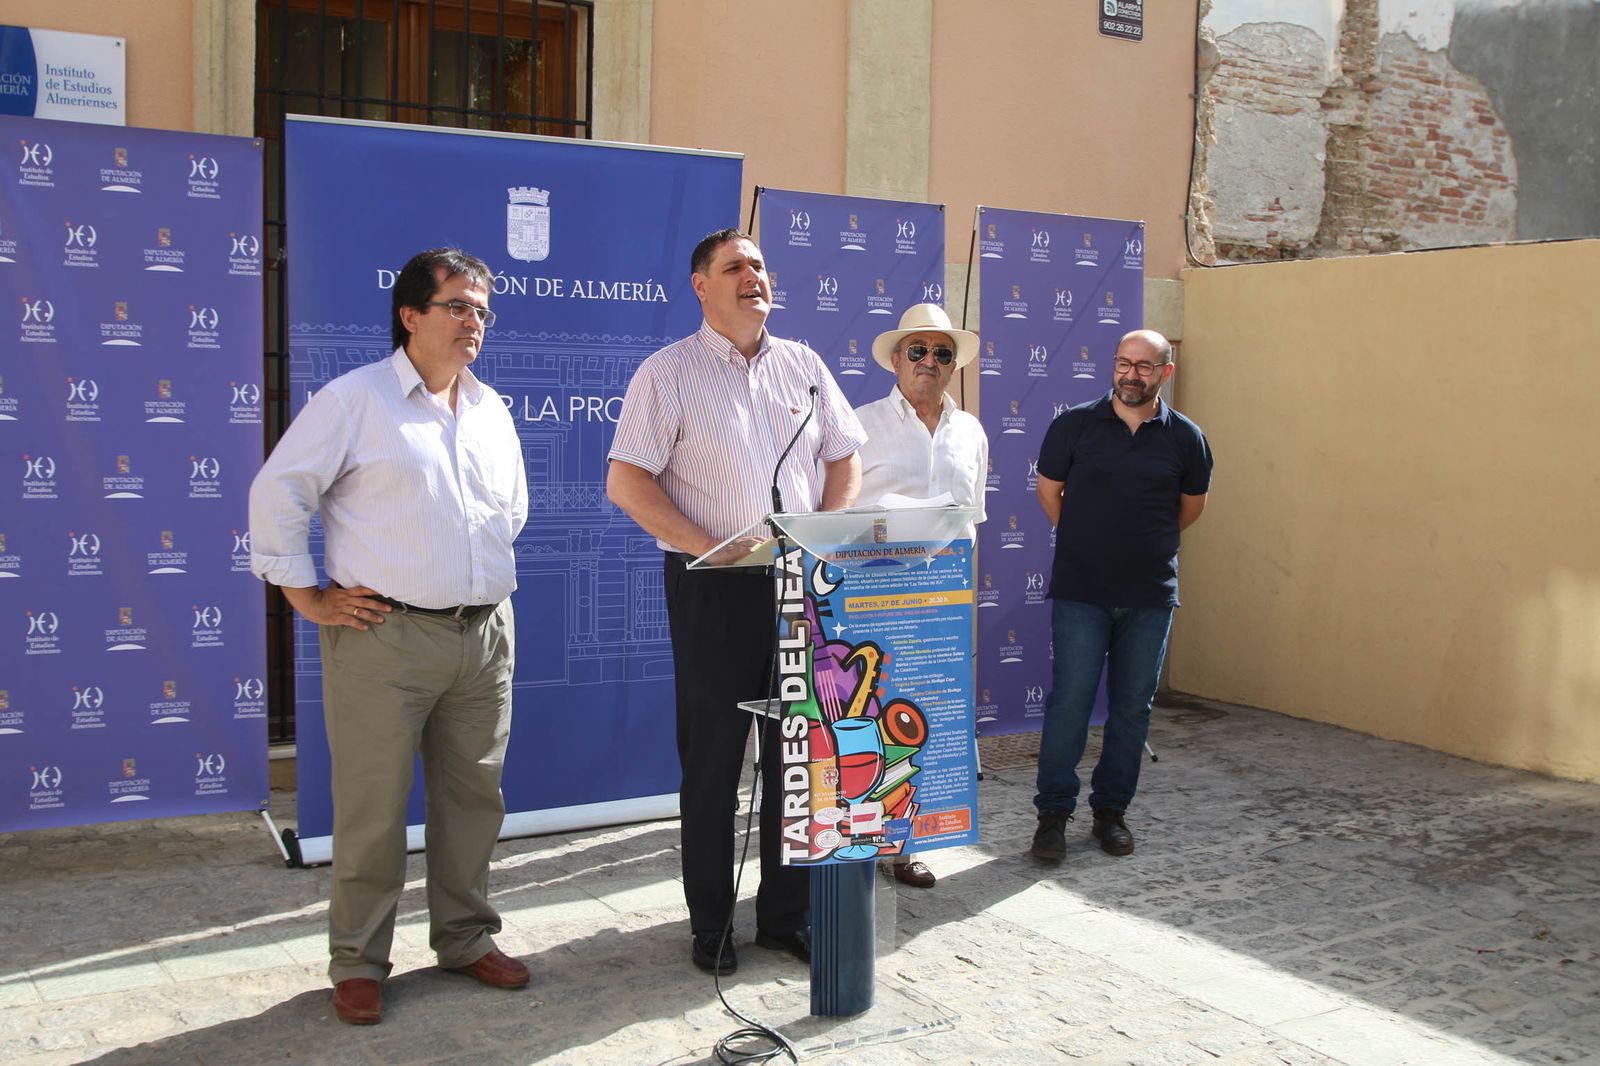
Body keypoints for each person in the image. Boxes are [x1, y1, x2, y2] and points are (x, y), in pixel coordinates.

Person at [249, 248, 530, 1025]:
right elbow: (278, 492)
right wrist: (306, 595)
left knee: (473, 799)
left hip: (484, 637)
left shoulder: (491, 409)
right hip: (385, 637)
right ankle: (359, 962)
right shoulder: (354, 401)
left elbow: (509, 512)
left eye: (482, 310)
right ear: (410, 315)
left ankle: (466, 938)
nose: (474, 321)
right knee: (372, 809)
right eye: (458, 306)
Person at [607, 228, 865, 975]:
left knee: (797, 758)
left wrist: (826, 532)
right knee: (716, 763)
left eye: (759, 265)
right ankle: (712, 925)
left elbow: (844, 456)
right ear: (701, 285)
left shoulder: (805, 366)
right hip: (714, 588)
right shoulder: (668, 372)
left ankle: (785, 918)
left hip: (800, 587)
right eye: (735, 267)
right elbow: (627, 482)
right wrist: (709, 547)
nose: (753, 276)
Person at [1030, 329, 1212, 861]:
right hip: (1082, 592)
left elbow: (1191, 507)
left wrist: (1142, 546)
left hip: (1150, 596)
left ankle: (1111, 813)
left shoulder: (1187, 438)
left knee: (1132, 709)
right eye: (1124, 364)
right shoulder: (1074, 425)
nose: (1132, 375)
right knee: (1070, 704)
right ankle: (1052, 815)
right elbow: (1049, 492)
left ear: (1165, 372)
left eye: (1145, 366)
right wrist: (1089, 542)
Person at [853, 303, 988, 888]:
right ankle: (860, 841)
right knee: (870, 717)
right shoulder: (859, 425)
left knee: (927, 718)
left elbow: (973, 517)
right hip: (876, 597)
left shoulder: (972, 431)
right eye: (918, 350)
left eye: (942, 353)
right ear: (895, 359)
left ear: (954, 364)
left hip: (942, 604)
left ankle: (910, 844)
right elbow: (840, 513)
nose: (929, 361)